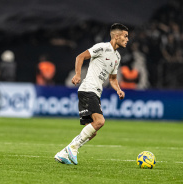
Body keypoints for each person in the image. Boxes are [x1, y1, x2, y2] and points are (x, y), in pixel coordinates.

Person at [54, 23, 129, 165]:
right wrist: (77, 75)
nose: (127, 39)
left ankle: (63, 153)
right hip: (88, 89)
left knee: (92, 132)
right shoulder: (102, 47)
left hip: (95, 92)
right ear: (117, 36)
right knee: (100, 121)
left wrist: (118, 89)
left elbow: (112, 79)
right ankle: (73, 147)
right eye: (125, 36)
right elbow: (80, 57)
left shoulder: (117, 57)